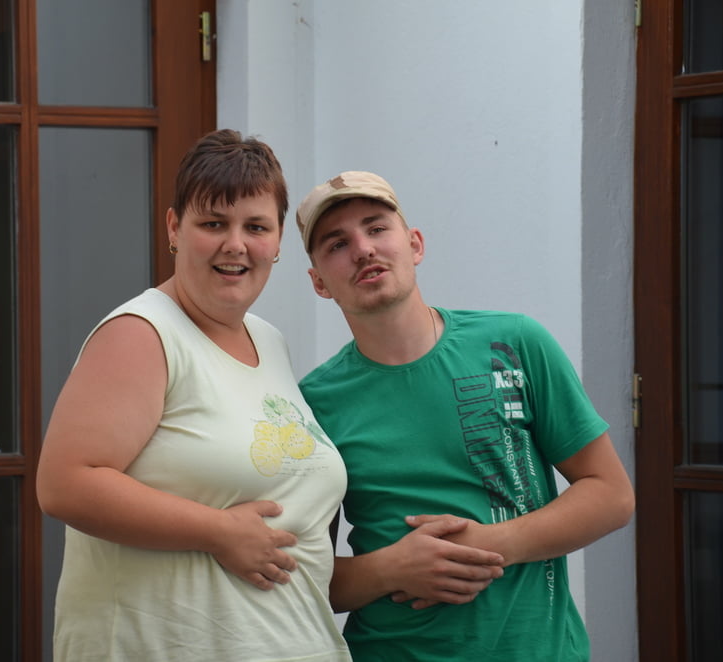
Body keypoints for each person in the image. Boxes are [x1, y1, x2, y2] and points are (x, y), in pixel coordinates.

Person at [36, 129, 353, 661]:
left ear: (278, 241)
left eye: (256, 226)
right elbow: (65, 485)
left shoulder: (269, 341)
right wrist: (218, 530)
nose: (236, 244)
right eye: (213, 224)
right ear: (174, 228)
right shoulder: (143, 333)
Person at [294, 171, 636, 661]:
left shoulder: (514, 343)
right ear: (319, 282)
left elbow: (611, 495)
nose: (363, 249)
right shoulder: (311, 403)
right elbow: (307, 580)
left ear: (414, 244)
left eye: (376, 228)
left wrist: (492, 543)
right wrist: (392, 568)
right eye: (337, 244)